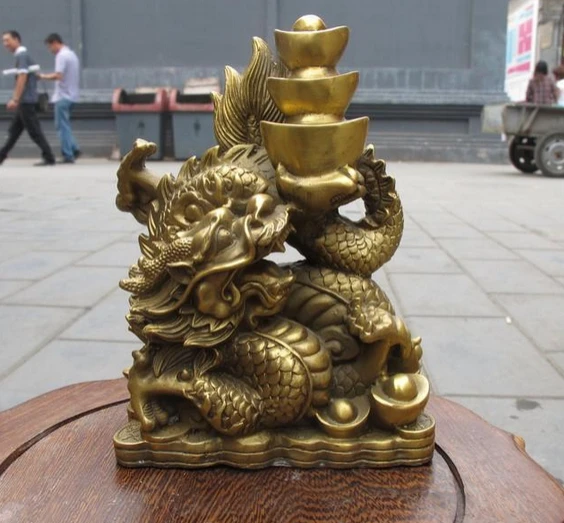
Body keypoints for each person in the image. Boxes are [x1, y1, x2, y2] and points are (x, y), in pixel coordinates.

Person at [0, 30, 55, 166]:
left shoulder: (22, 56)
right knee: (14, 131)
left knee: (34, 131)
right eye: (3, 41)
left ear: (16, 40)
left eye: (7, 40)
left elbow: (22, 77)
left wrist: (15, 99)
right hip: (25, 100)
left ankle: (49, 157)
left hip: (26, 101)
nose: (5, 44)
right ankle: (1, 155)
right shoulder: (23, 56)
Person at [38, 33, 81, 163]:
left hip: (63, 96)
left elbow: (58, 75)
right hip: (73, 95)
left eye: (49, 47)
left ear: (55, 43)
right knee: (65, 125)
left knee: (61, 126)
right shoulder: (72, 54)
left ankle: (68, 154)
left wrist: (42, 76)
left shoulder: (61, 56)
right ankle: (74, 148)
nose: (50, 50)